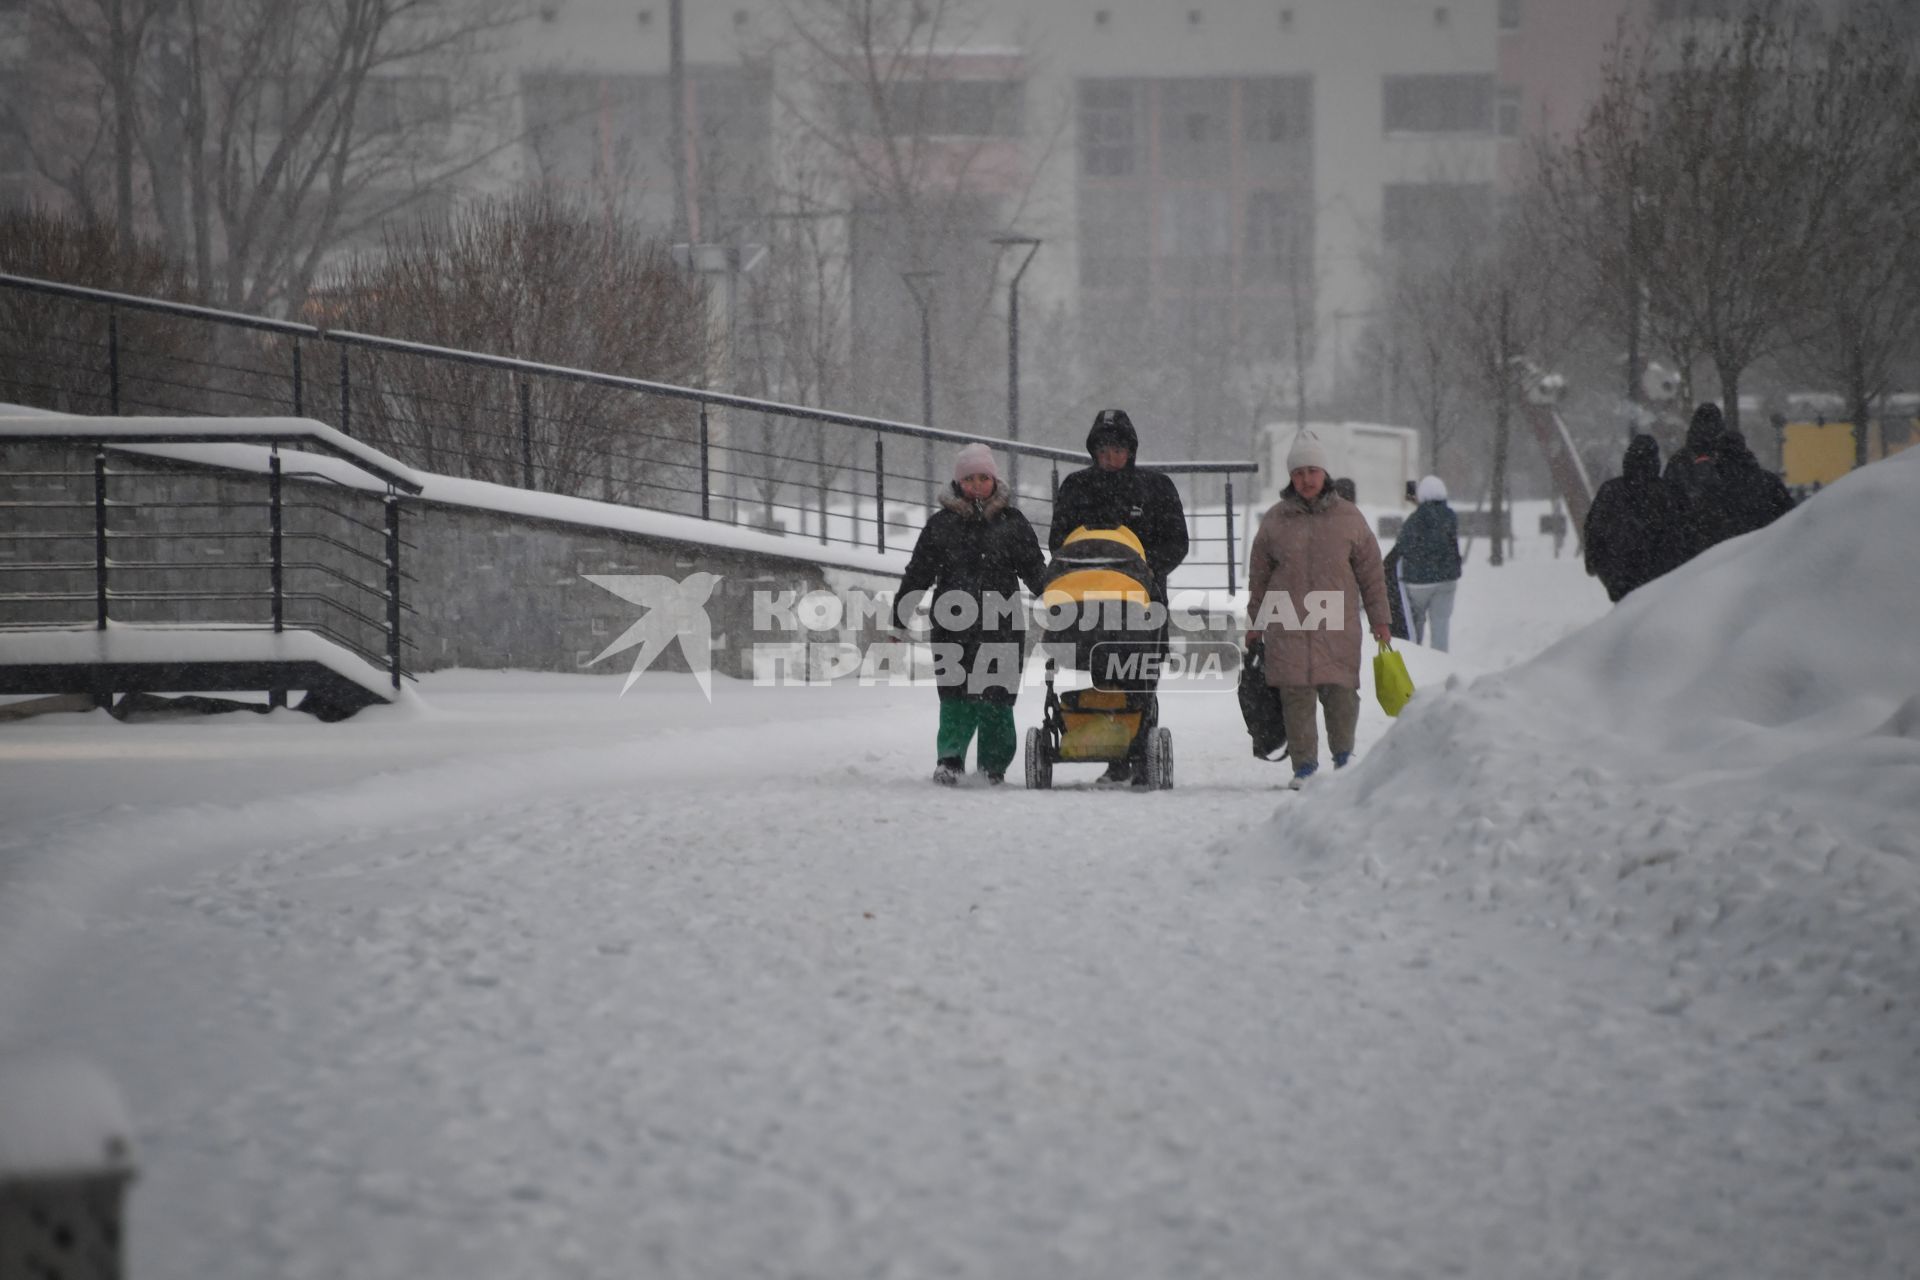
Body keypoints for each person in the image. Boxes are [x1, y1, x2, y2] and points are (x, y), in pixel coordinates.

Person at [1244, 430, 1392, 790]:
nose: (1306, 479)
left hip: (1336, 626)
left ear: (1324, 473)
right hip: (1288, 626)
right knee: (1296, 698)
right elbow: (1259, 578)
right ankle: (1305, 767)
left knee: (1341, 695)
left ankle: (1344, 760)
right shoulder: (1275, 521)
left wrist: (1380, 620)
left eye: (1312, 470)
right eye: (1298, 473)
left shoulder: (1350, 518)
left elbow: (1372, 574)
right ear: (1290, 477)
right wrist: (1254, 624)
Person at [1048, 408, 1189, 785]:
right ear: (1093, 450)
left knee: (1141, 677)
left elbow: (1177, 543)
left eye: (1118, 449)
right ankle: (1115, 757)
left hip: (1143, 601)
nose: (1110, 457)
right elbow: (1059, 541)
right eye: (1104, 449)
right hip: (1090, 605)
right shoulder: (1077, 488)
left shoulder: (1155, 488)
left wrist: (1145, 567)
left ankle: (1142, 750)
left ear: (1131, 450)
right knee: (1104, 677)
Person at [894, 442, 1046, 786]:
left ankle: (993, 766)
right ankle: (950, 760)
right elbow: (918, 572)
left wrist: (1056, 598)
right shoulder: (940, 525)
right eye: (969, 479)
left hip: (1001, 624)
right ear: (958, 483)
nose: (977, 485)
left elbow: (1034, 569)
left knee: (998, 698)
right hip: (952, 626)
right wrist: (899, 617)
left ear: (994, 480)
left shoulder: (1013, 523)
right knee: (955, 696)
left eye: (983, 478)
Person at [1583, 434, 1686, 602]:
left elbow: (1594, 532)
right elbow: (1679, 535)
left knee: (1627, 618)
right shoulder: (1666, 493)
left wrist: (1603, 569)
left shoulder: (1610, 491)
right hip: (1661, 580)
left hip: (1620, 578)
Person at [1393, 474, 1463, 652]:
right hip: (1447, 580)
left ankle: (1417, 657)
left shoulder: (1413, 521)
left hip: (1417, 583)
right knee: (1441, 625)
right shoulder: (1451, 517)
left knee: (1416, 624)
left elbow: (1402, 546)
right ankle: (1441, 661)